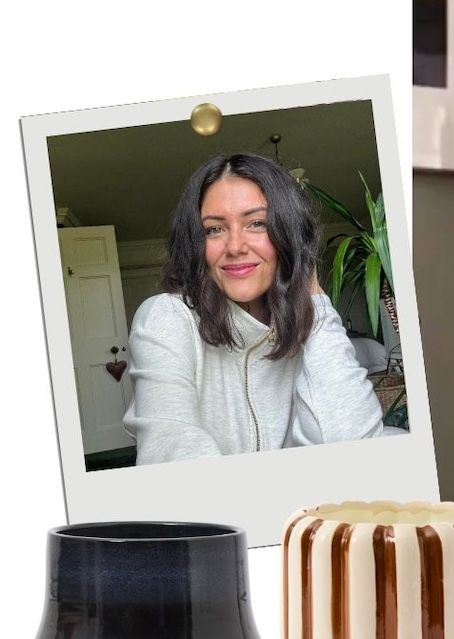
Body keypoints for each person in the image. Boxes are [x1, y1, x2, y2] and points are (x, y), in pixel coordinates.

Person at [123, 153, 385, 465]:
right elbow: (173, 462)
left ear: (287, 236)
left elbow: (358, 451)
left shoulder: (304, 325)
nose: (235, 246)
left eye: (257, 223)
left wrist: (315, 302)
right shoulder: (164, 319)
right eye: (214, 229)